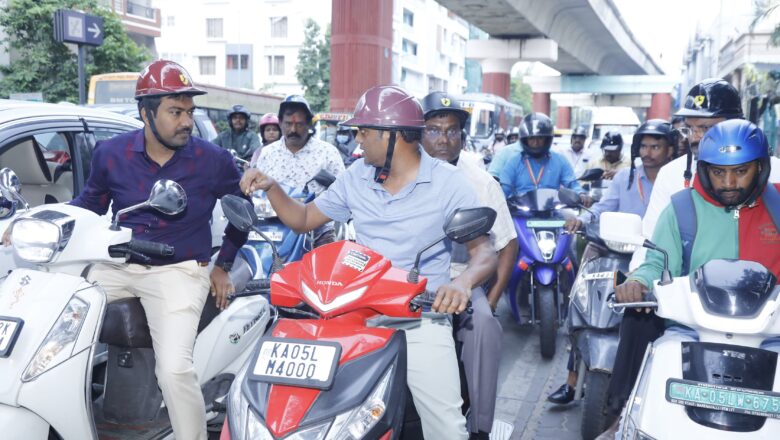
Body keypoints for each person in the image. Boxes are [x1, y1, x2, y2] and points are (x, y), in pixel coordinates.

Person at [240, 85, 497, 440]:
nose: (358, 140)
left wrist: (462, 283)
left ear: (391, 136)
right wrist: (272, 187)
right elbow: (302, 219)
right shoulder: (356, 175)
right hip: (356, 315)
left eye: (364, 132)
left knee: (447, 427)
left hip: (420, 317)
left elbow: (483, 252)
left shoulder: (449, 183)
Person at [70, 60, 248, 440]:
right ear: (145, 114)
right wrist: (44, 221)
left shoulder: (212, 160)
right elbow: (89, 205)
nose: (186, 121)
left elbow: (241, 213)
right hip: (117, 264)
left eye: (189, 112)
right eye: (175, 112)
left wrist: (223, 265)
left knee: (174, 369)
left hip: (180, 270)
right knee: (58, 315)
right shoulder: (111, 153)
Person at [599, 78, 780, 438]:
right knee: (639, 326)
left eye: (707, 127)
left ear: (759, 167)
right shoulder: (679, 199)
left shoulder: (777, 194)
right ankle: (622, 415)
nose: (729, 181)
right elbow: (655, 253)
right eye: (693, 128)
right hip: (691, 319)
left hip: (769, 328)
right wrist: (638, 281)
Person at [548, 119, 675, 404]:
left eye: (656, 146)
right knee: (581, 306)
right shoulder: (625, 178)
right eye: (644, 145)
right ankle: (571, 381)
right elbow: (605, 208)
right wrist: (581, 220)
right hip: (614, 252)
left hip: (657, 259)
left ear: (670, 149)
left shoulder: (679, 179)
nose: (649, 151)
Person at [421, 91, 517, 440]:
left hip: (462, 280)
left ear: (463, 135)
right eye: (433, 130)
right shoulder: (400, 175)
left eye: (452, 130)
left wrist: (490, 300)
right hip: (409, 282)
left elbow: (507, 244)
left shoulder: (480, 182)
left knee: (485, 327)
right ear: (419, 133)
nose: (443, 139)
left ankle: (479, 426)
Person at [254, 94, 345, 246]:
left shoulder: (328, 153)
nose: (293, 129)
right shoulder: (267, 153)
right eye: (288, 124)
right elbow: (257, 194)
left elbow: (343, 192)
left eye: (300, 124)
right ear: (280, 123)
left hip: (318, 231)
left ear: (309, 124)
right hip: (273, 231)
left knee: (325, 266)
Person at [499, 112, 592, 206]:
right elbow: (503, 189)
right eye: (531, 138)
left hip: (552, 213)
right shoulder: (514, 162)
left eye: (540, 138)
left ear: (547, 139)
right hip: (520, 213)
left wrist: (581, 194)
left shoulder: (560, 160)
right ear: (524, 140)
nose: (536, 142)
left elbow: (572, 184)